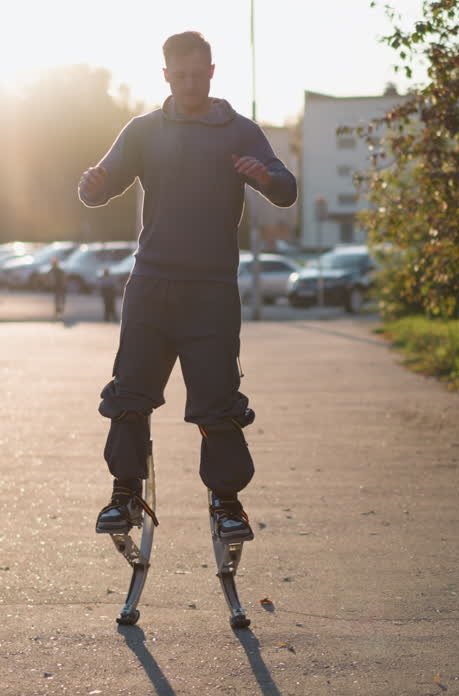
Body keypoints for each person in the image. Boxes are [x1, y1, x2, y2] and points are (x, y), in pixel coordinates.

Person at [77, 31, 297, 543]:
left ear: (213, 71)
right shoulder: (143, 130)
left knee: (218, 404)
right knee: (129, 395)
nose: (191, 83)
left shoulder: (239, 131)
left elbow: (286, 190)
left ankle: (227, 504)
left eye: (200, 74)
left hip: (211, 293)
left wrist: (264, 174)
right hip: (151, 286)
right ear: (166, 76)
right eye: (182, 76)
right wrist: (90, 186)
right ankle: (125, 492)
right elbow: (102, 183)